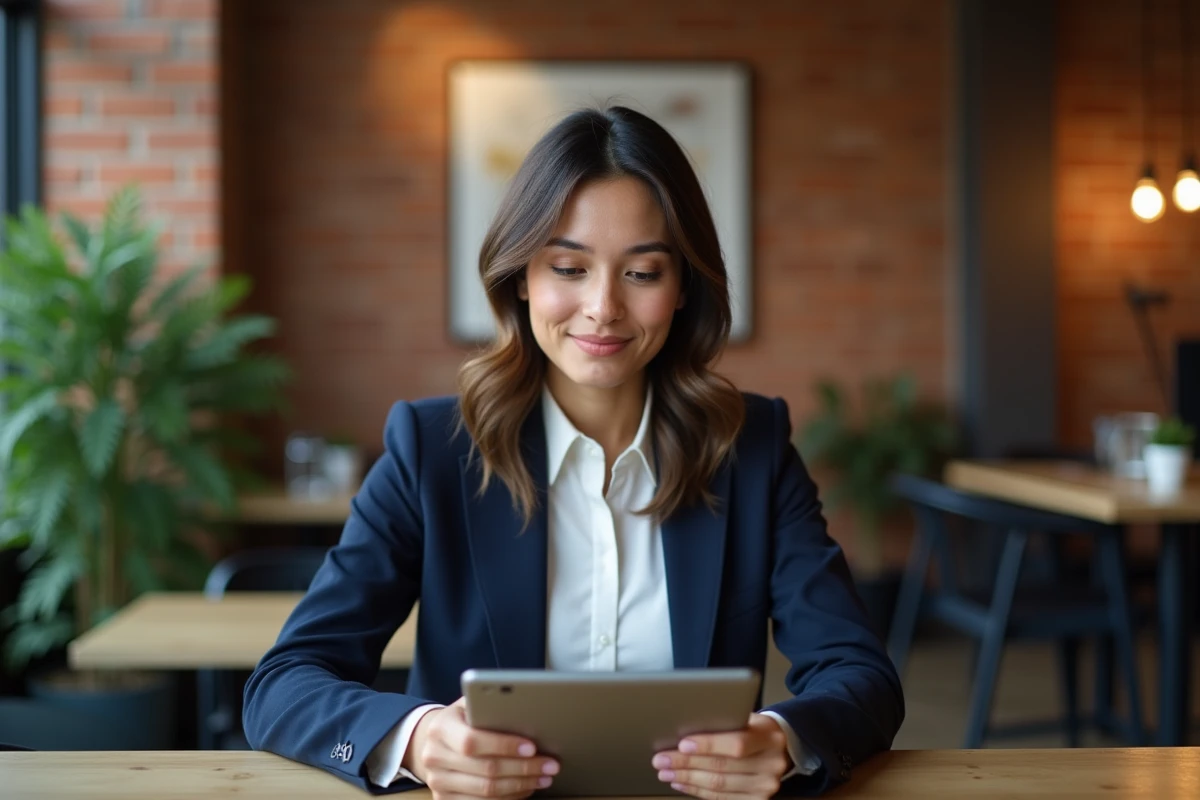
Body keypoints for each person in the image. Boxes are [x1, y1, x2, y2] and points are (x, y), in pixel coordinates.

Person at [243, 106, 903, 798]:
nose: (602, 308)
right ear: (521, 277)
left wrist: (783, 737)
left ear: (682, 290)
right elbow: (284, 684)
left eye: (642, 273)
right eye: (568, 267)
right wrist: (418, 738)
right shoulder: (430, 451)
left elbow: (860, 677)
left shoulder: (753, 449)